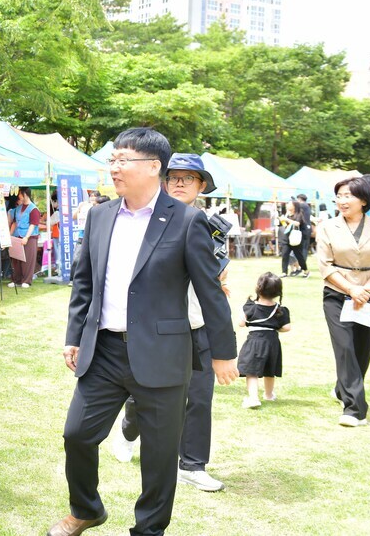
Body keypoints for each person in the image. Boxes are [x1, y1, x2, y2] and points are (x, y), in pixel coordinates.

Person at [50, 128, 238, 536]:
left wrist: (223, 353)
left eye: (123, 160)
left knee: (159, 455)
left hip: (162, 353)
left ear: (154, 166)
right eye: (112, 160)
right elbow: (85, 282)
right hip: (103, 350)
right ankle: (86, 509)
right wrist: (74, 336)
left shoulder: (187, 220)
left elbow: (210, 292)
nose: (114, 168)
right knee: (77, 434)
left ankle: (149, 530)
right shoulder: (100, 215)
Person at [111, 153, 230, 493]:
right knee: (146, 395)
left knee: (200, 397)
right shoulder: (144, 219)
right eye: (174, 177)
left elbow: (218, 277)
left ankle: (192, 464)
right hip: (157, 327)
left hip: (197, 322)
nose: (179, 183)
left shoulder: (212, 226)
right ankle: (128, 429)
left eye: (188, 178)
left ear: (201, 185)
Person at [315, 175, 370, 428]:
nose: (342, 201)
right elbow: (325, 266)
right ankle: (354, 410)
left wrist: (366, 290)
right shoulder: (327, 227)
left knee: (362, 350)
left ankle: (343, 389)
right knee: (344, 348)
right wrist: (352, 289)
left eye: (348, 196)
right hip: (336, 294)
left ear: (363, 200)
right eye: (339, 196)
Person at [238, 272, 291, 409]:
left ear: (258, 288)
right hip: (272, 342)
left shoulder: (251, 306)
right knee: (270, 369)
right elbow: (287, 327)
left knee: (251, 371)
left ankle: (253, 398)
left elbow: (241, 323)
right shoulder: (280, 310)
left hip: (255, 341)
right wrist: (274, 328)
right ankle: (268, 394)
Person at [8, 187, 40, 289]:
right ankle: (16, 280)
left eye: (20, 194)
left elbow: (33, 224)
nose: (18, 196)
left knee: (28, 259)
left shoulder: (34, 209)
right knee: (16, 259)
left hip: (30, 237)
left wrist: (26, 237)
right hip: (17, 236)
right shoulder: (18, 208)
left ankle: (27, 280)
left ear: (25, 194)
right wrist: (9, 235)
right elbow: (14, 222)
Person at [279, 201, 309, 278]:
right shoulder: (287, 214)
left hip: (295, 239)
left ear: (294, 206)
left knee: (299, 256)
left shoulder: (299, 214)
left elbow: (297, 223)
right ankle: (284, 272)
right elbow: (285, 226)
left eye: (289, 204)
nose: (287, 205)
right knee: (285, 255)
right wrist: (282, 220)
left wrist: (287, 219)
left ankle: (305, 270)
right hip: (287, 238)